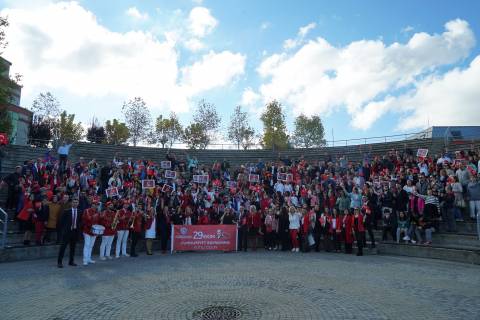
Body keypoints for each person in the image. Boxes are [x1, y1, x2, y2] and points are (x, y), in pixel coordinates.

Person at [57, 198, 82, 268]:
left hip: (74, 232)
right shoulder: (66, 211)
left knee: (73, 248)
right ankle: (59, 262)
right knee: (63, 247)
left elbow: (79, 222)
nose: (75, 203)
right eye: (74, 202)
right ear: (71, 203)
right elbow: (61, 222)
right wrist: (64, 230)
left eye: (76, 202)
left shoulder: (80, 211)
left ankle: (71, 261)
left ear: (78, 203)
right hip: (67, 232)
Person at [82, 200, 100, 265]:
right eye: (94, 204)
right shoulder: (86, 211)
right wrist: (92, 217)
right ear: (92, 204)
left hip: (94, 231)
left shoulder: (97, 212)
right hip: (87, 230)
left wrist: (98, 230)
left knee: (91, 246)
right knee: (87, 245)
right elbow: (84, 220)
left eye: (96, 204)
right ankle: (85, 260)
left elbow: (98, 222)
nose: (95, 205)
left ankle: (89, 258)